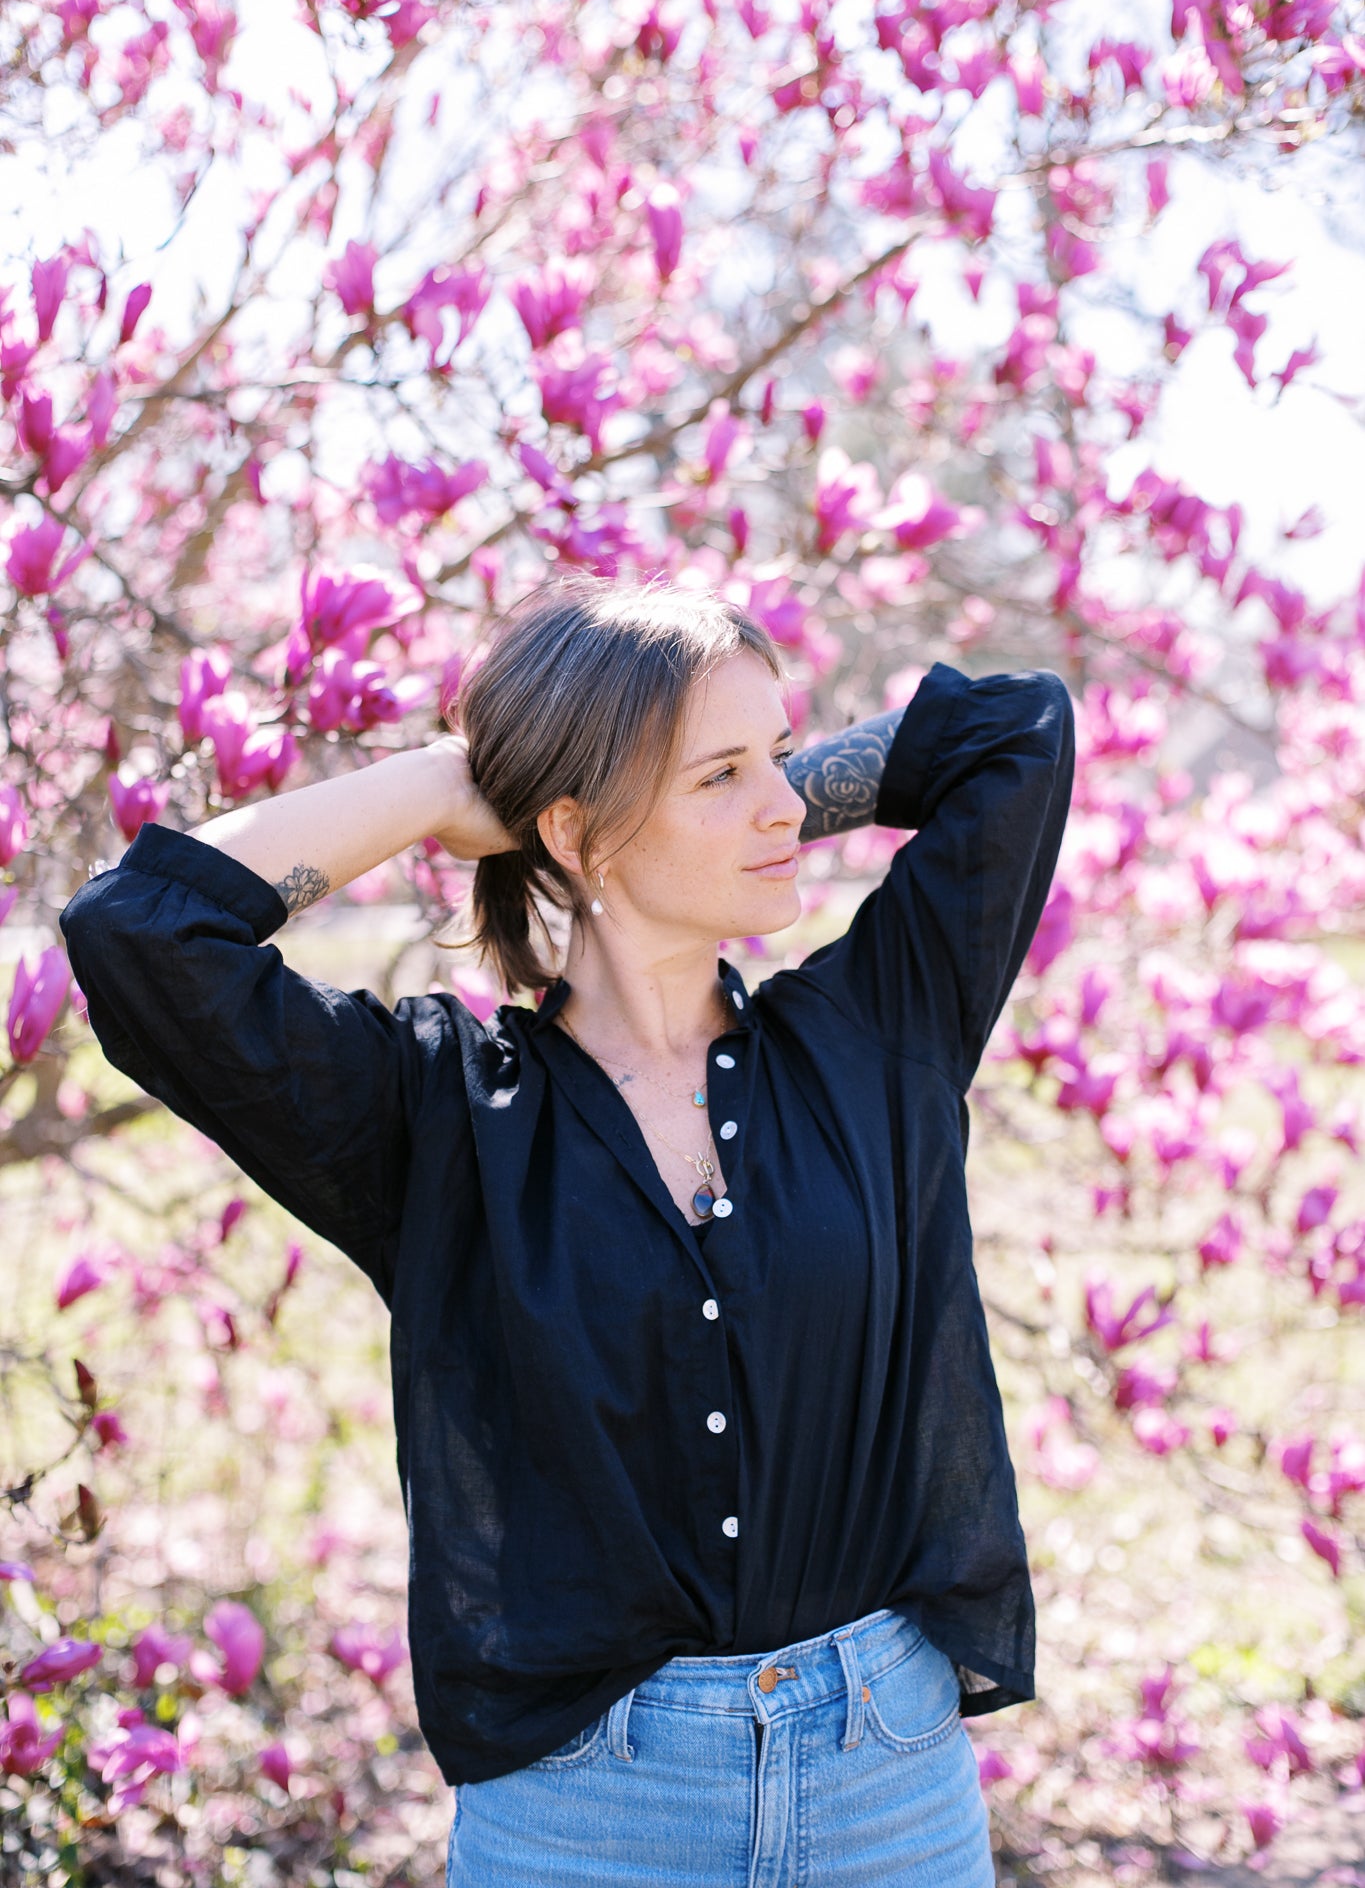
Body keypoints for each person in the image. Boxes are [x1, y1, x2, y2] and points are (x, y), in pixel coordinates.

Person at [60, 574, 1075, 1886]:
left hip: (888, 1781)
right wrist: (441, 787)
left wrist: (724, 787)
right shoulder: (434, 1119)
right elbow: (138, 933)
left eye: (776, 755)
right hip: (594, 1815)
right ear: (576, 831)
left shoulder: (877, 1034)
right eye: (722, 775)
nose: (783, 807)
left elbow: (1013, 731)